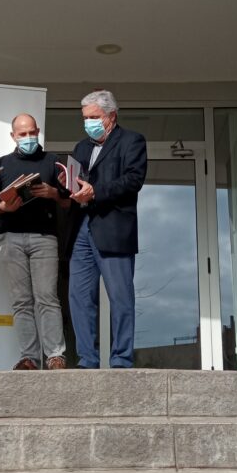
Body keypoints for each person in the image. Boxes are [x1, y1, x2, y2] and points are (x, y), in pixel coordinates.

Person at [0, 114, 70, 371]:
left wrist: (53, 193)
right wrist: (3, 207)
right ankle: (29, 357)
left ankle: (55, 355)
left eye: (32, 132)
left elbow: (68, 201)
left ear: (38, 131)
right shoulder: (1, 164)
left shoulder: (53, 162)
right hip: (10, 236)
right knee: (22, 300)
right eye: (22, 134)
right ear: (13, 136)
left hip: (45, 237)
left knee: (47, 297)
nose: (28, 137)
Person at [67, 90, 147, 368]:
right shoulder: (81, 147)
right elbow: (76, 183)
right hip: (81, 229)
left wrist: (96, 192)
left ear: (111, 116)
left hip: (113, 229)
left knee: (120, 297)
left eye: (94, 117)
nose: (88, 123)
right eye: (85, 118)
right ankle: (87, 359)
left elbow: (133, 180)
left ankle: (121, 359)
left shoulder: (132, 141)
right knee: (79, 297)